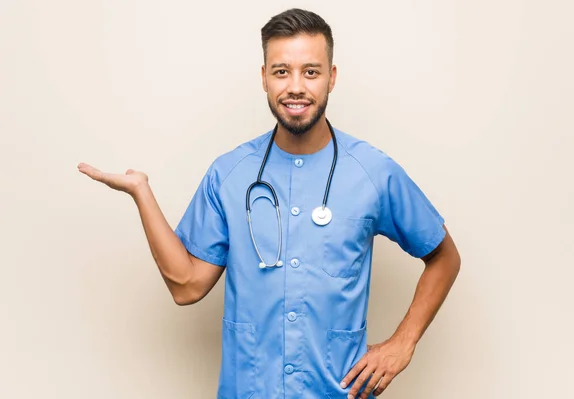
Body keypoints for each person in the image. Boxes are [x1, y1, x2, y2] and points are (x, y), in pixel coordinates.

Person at [78, 8, 460, 399]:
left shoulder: (373, 173)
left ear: (332, 76)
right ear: (264, 78)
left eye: (310, 71)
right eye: (281, 71)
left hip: (334, 391)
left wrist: (403, 343)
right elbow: (187, 286)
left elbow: (445, 256)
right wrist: (142, 194)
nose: (296, 86)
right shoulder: (229, 174)